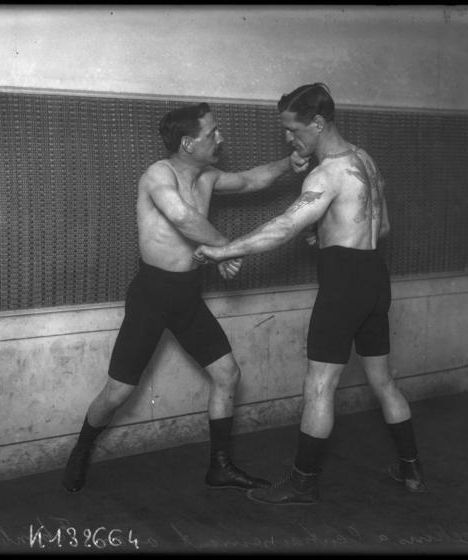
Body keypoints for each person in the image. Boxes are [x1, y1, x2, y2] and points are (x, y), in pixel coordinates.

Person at [193, 83, 427, 506]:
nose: (289, 139)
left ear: (318, 123)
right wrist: (330, 235)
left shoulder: (327, 174)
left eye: (293, 129)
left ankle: (302, 483)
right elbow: (382, 227)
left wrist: (223, 249)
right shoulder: (366, 161)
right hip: (375, 277)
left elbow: (284, 227)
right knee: (384, 381)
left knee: (319, 386)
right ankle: (412, 470)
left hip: (345, 286)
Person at [62, 102, 309, 494]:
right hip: (152, 295)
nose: (221, 138)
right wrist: (228, 248)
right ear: (188, 143)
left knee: (228, 375)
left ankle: (220, 466)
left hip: (188, 296)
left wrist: (287, 163)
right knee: (119, 392)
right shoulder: (158, 175)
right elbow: (181, 218)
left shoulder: (207, 177)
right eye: (213, 133)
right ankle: (82, 447)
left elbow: (249, 181)